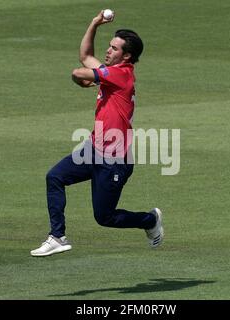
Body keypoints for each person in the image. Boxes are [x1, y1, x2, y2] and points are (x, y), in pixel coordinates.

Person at [31, 10, 163, 257]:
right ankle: (57, 236)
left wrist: (85, 79)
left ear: (127, 55)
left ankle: (150, 220)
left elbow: (78, 71)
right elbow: (85, 56)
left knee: (105, 217)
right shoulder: (111, 73)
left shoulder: (121, 75)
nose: (109, 51)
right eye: (109, 46)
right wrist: (94, 23)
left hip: (115, 160)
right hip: (93, 149)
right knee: (55, 177)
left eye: (114, 48)